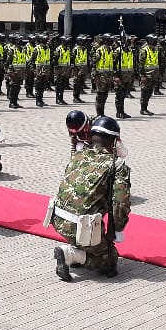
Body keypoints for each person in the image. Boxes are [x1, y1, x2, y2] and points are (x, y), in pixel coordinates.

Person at [47, 116, 130, 281]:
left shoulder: (78, 155)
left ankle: (78, 249)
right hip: (82, 226)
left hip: (58, 221)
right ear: (115, 141)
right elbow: (120, 204)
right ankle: (70, 255)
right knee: (110, 260)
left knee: (90, 240)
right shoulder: (116, 165)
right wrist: (118, 230)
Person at [92, 35, 119, 118]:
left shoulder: (111, 50)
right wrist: (94, 76)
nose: (112, 41)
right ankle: (99, 114)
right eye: (110, 40)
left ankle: (102, 113)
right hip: (100, 76)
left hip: (108, 76)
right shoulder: (99, 50)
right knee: (100, 95)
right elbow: (93, 63)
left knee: (105, 95)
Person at [136, 35, 160, 116]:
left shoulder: (155, 49)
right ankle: (143, 109)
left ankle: (146, 108)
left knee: (150, 92)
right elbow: (141, 65)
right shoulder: (144, 50)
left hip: (154, 75)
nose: (156, 42)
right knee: (144, 92)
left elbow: (156, 62)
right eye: (154, 40)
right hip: (147, 75)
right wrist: (142, 76)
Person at [52, 36, 72, 106]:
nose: (68, 43)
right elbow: (55, 60)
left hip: (65, 68)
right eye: (66, 41)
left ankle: (61, 98)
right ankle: (58, 99)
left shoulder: (68, 49)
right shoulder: (58, 49)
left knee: (63, 84)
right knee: (59, 84)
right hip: (59, 69)